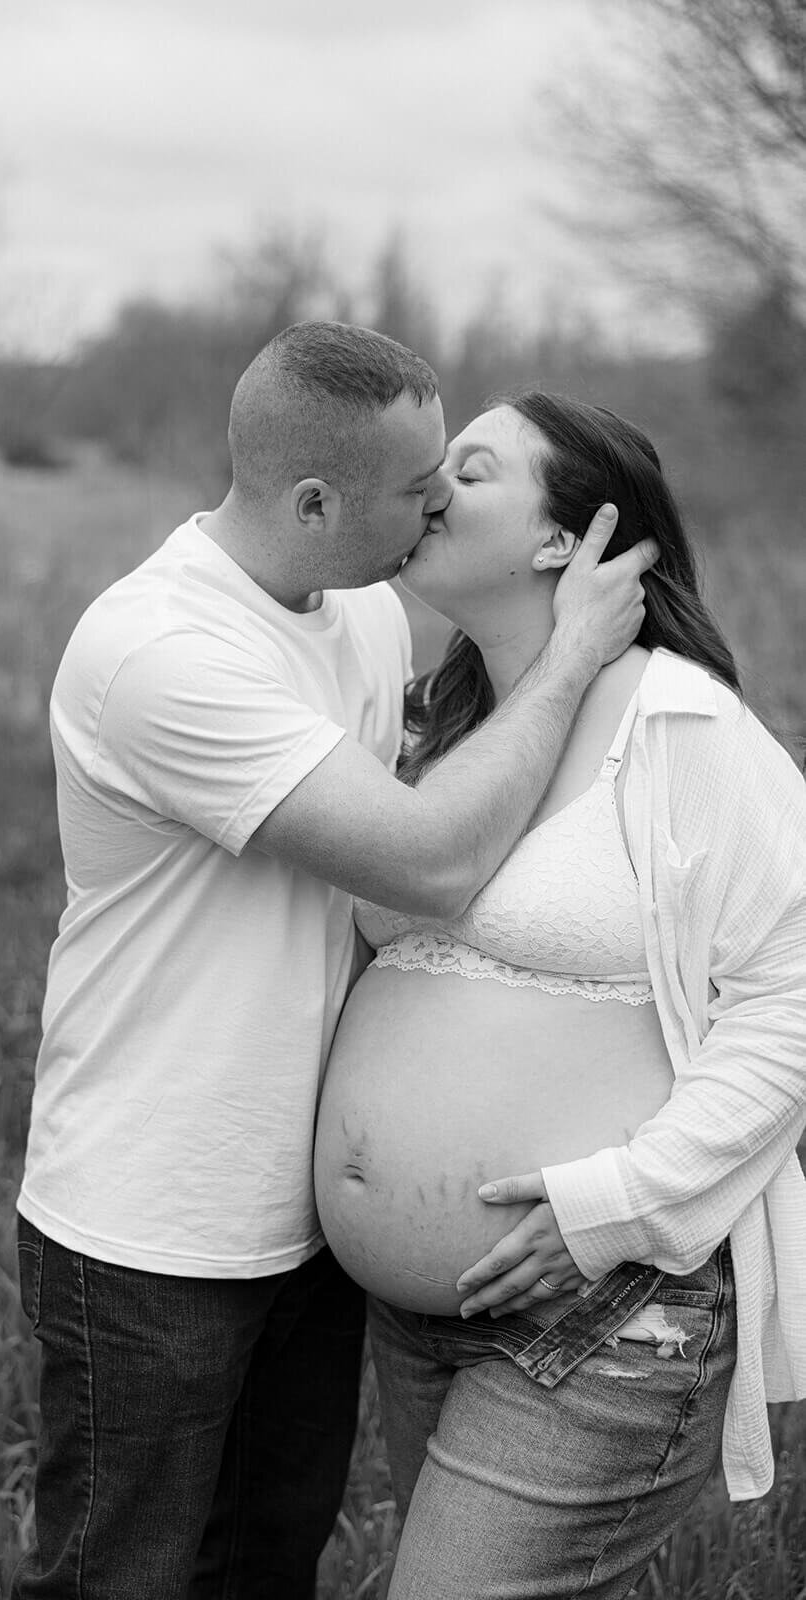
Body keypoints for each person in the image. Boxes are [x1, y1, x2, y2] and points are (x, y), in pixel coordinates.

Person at [11, 324, 656, 1600]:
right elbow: (424, 860)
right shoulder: (161, 651)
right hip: (152, 1222)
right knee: (116, 1576)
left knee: (265, 1557)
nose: (434, 509)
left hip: (300, 1216)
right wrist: (576, 649)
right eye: (416, 491)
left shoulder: (359, 610)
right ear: (314, 502)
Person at [314, 391, 806, 1600]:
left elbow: (789, 998)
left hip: (603, 1314)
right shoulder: (439, 725)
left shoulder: (680, 727)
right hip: (417, 1317)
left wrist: (615, 1202)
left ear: (560, 539)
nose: (429, 487)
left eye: (468, 470)